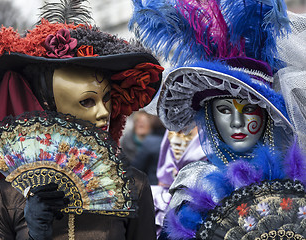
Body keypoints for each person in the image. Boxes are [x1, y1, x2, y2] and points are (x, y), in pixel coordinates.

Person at [0, 1, 163, 239]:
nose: (104, 112)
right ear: (50, 108)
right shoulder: (6, 198)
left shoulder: (133, 187)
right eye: (86, 101)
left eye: (106, 99)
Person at [130, 0, 306, 239]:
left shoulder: (296, 172)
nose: (236, 122)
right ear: (209, 116)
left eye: (248, 109)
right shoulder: (195, 186)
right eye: (224, 110)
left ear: (266, 114)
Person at [131, 115, 165, 185]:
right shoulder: (126, 142)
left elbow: (136, 169)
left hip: (153, 187)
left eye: (144, 122)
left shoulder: (150, 142)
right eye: (138, 122)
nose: (140, 124)